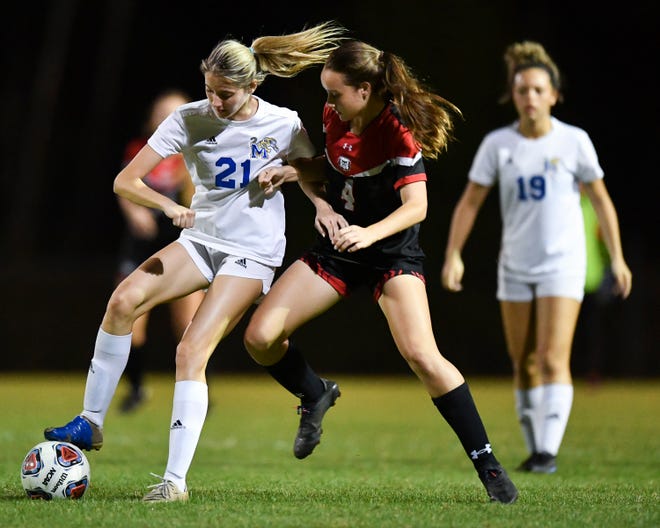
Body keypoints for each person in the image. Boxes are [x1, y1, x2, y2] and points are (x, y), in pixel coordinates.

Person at [44, 21, 347, 502]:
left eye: (226, 93)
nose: (216, 101)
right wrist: (168, 207)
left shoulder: (283, 122)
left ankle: (174, 483)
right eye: (210, 89)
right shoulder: (189, 118)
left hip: (252, 251)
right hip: (202, 239)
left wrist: (303, 187)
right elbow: (126, 181)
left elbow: (314, 169)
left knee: (190, 349)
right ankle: (91, 423)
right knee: (124, 300)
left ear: (252, 86)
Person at [244, 39, 519, 504]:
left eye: (335, 94)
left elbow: (418, 207)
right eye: (326, 94)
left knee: (423, 356)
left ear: (366, 90)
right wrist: (297, 174)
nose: (327, 104)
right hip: (339, 251)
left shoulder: (397, 133)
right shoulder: (337, 118)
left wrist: (369, 234)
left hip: (391, 255)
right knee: (260, 337)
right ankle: (315, 394)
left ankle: (488, 466)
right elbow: (330, 170)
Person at [440, 41, 632, 474]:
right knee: (523, 361)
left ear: (554, 95)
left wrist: (616, 258)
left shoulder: (574, 141)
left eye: (538, 90)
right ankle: (536, 449)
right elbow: (469, 203)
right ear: (514, 95)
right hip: (515, 265)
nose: (530, 97)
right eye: (522, 90)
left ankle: (547, 450)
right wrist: (454, 254)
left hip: (563, 264)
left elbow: (602, 202)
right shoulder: (498, 144)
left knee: (550, 358)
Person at [115, 90, 204, 413]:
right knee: (128, 317)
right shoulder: (140, 150)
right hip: (142, 246)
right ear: (152, 118)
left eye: (175, 112)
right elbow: (125, 186)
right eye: (162, 112)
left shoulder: (195, 152)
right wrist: (135, 212)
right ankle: (136, 388)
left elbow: (197, 199)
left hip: (180, 245)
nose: (168, 118)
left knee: (191, 324)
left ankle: (195, 395)